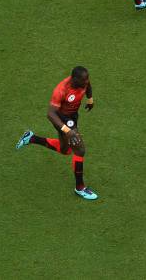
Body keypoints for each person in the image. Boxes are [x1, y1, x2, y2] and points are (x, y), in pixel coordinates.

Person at [16, 66, 98, 200]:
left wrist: (90, 100)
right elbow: (50, 114)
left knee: (65, 150)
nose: (87, 81)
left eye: (87, 79)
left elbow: (88, 86)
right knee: (80, 150)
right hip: (61, 118)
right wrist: (67, 131)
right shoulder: (61, 90)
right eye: (84, 80)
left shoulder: (83, 81)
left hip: (72, 116)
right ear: (74, 79)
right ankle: (80, 187)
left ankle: (31, 138)